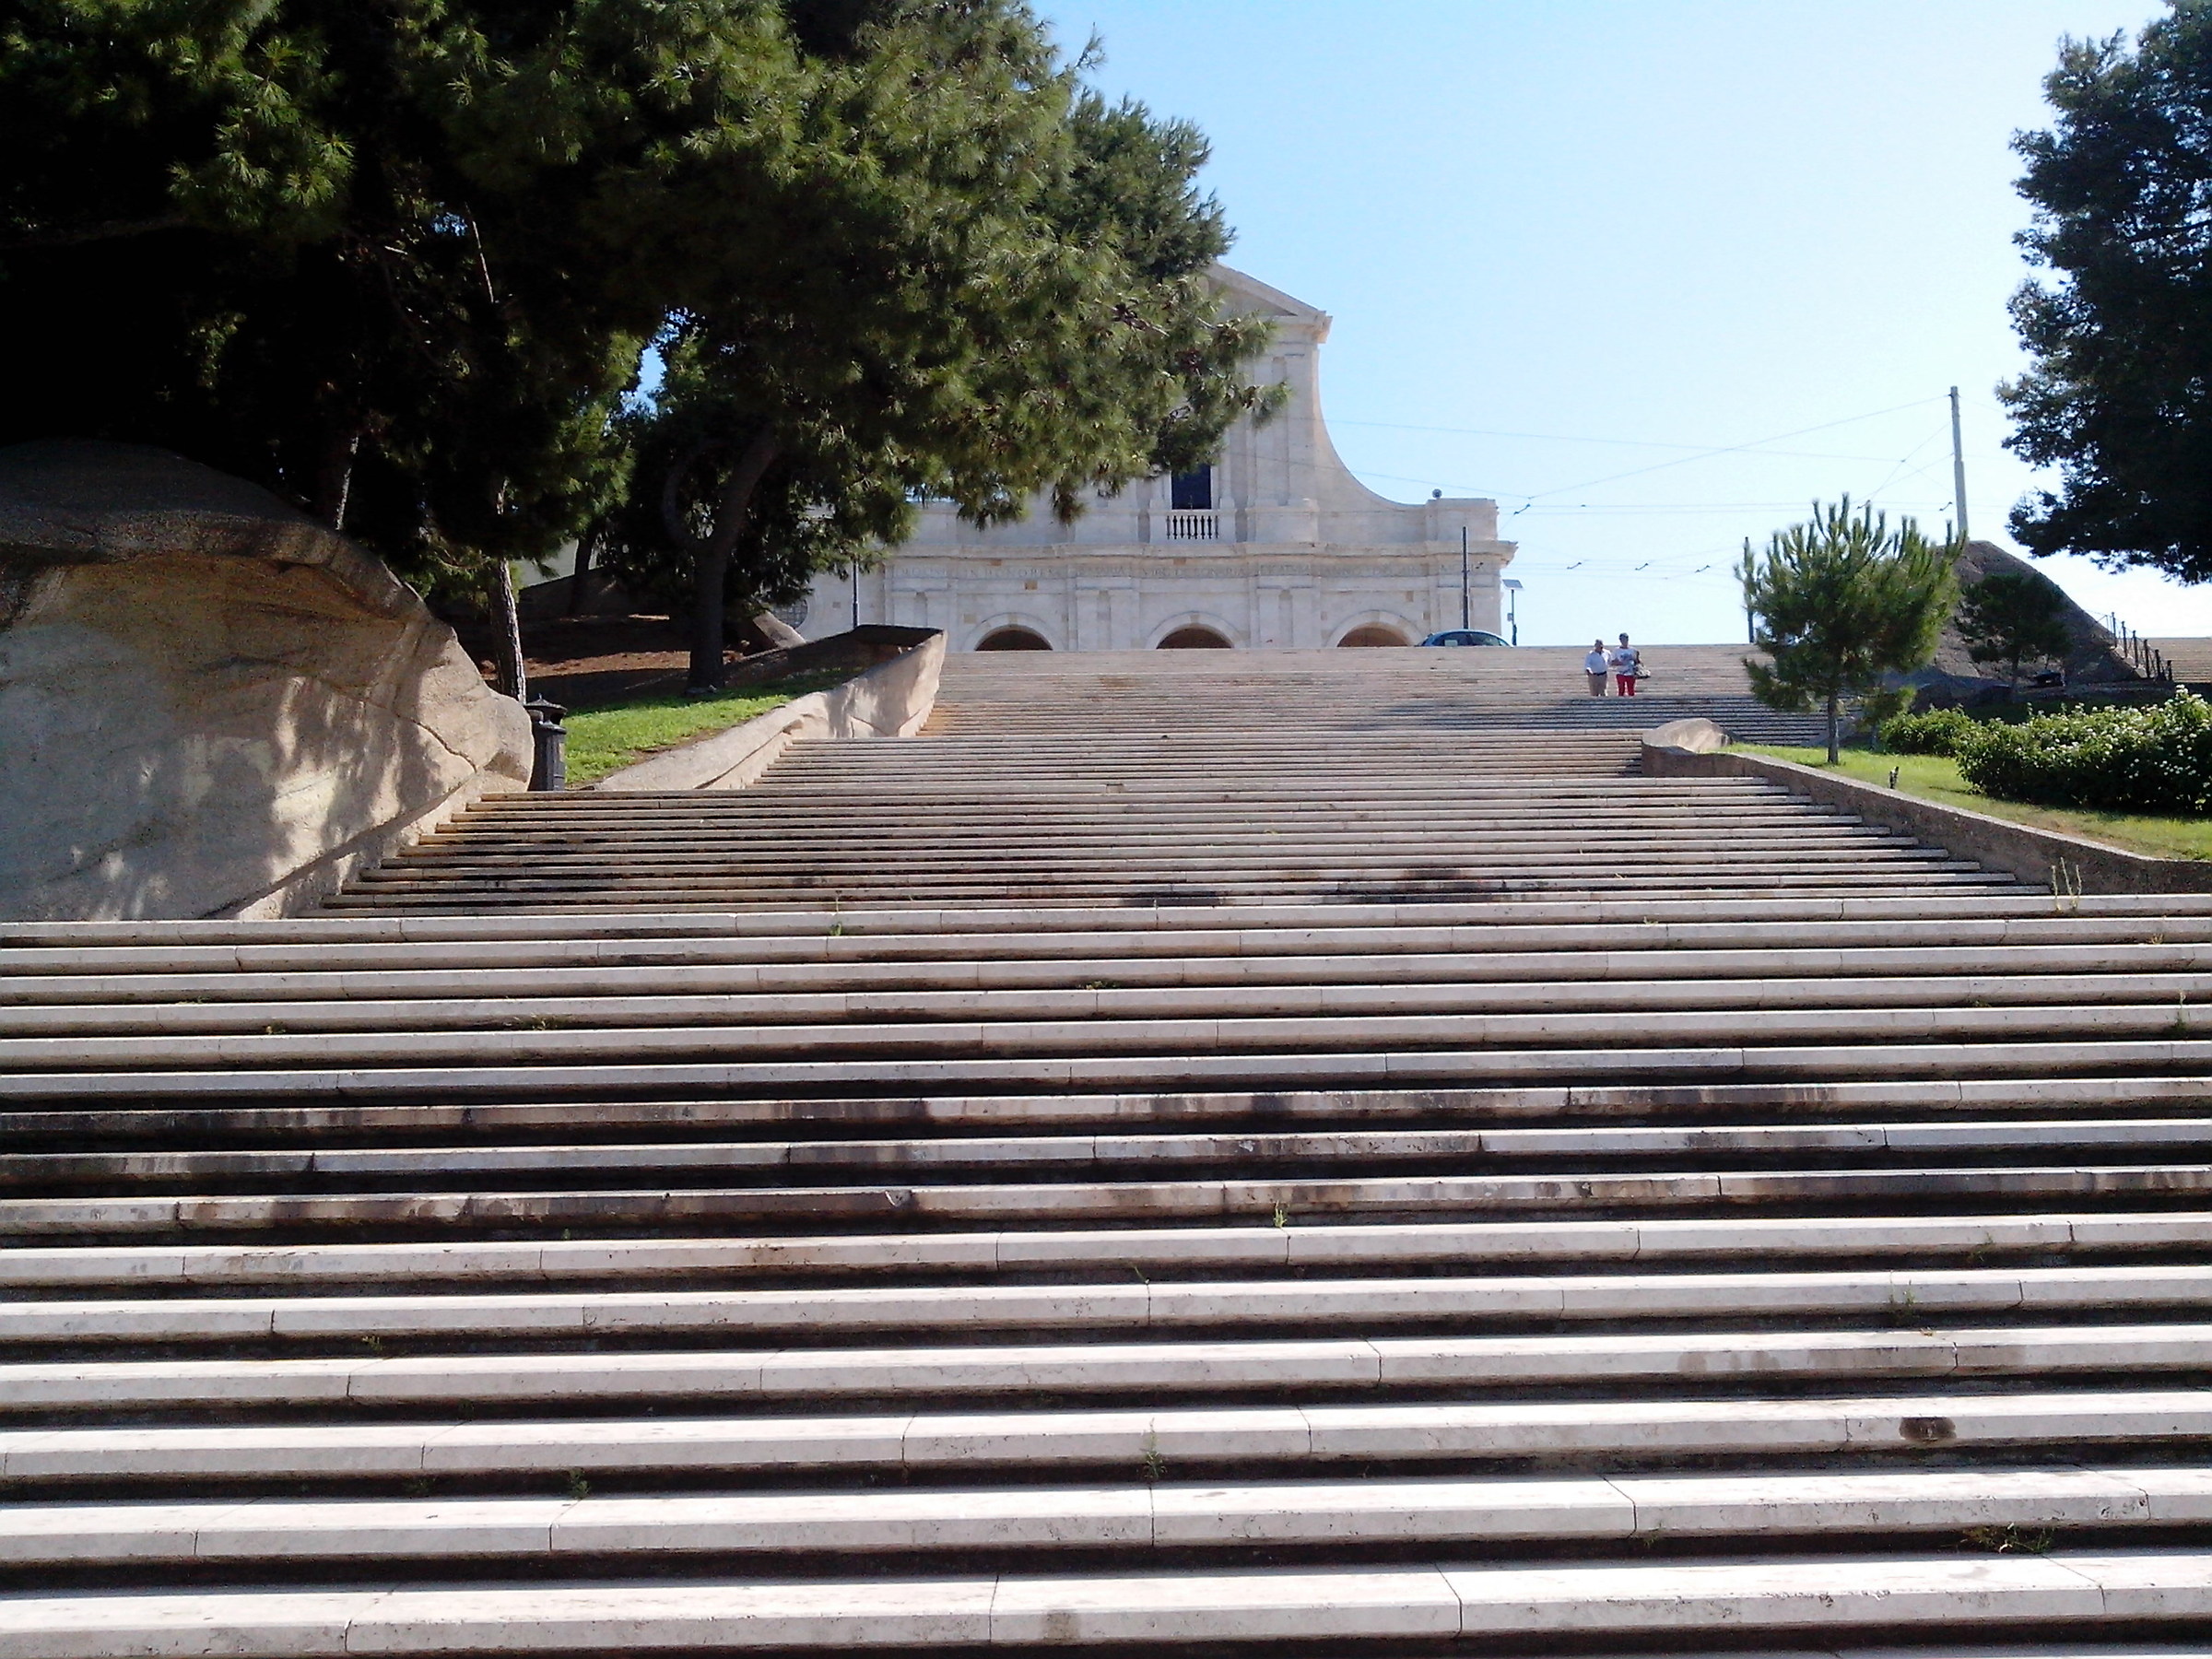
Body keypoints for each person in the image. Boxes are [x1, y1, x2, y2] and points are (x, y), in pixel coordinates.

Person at [1613, 632, 1641, 697]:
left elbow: (1637, 661)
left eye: (1625, 639)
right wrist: (1621, 663)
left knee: (1631, 690)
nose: (1624, 641)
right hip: (1620, 673)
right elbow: (1612, 662)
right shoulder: (1616, 650)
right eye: (1622, 639)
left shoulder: (1633, 650)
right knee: (1621, 690)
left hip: (1630, 673)